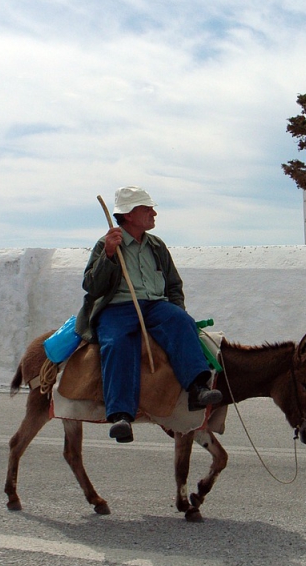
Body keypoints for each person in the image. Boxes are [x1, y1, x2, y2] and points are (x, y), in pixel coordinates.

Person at [75, 186, 222, 443]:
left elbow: (173, 284)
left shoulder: (156, 245)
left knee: (182, 322)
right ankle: (121, 415)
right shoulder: (106, 244)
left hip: (155, 306)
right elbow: (92, 286)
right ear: (129, 215)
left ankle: (198, 388)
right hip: (117, 308)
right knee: (116, 343)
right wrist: (109, 255)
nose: (154, 213)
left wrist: (177, 309)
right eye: (147, 209)